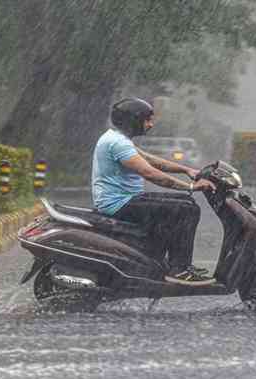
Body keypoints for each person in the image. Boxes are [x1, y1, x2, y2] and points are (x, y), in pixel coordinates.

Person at [91, 98, 217, 286]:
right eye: (147, 120)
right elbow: (149, 173)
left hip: (125, 200)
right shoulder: (118, 143)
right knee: (186, 210)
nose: (150, 124)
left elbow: (152, 161)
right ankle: (179, 269)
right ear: (132, 120)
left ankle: (164, 262)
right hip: (119, 204)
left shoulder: (116, 138)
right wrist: (190, 187)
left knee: (186, 203)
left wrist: (187, 170)